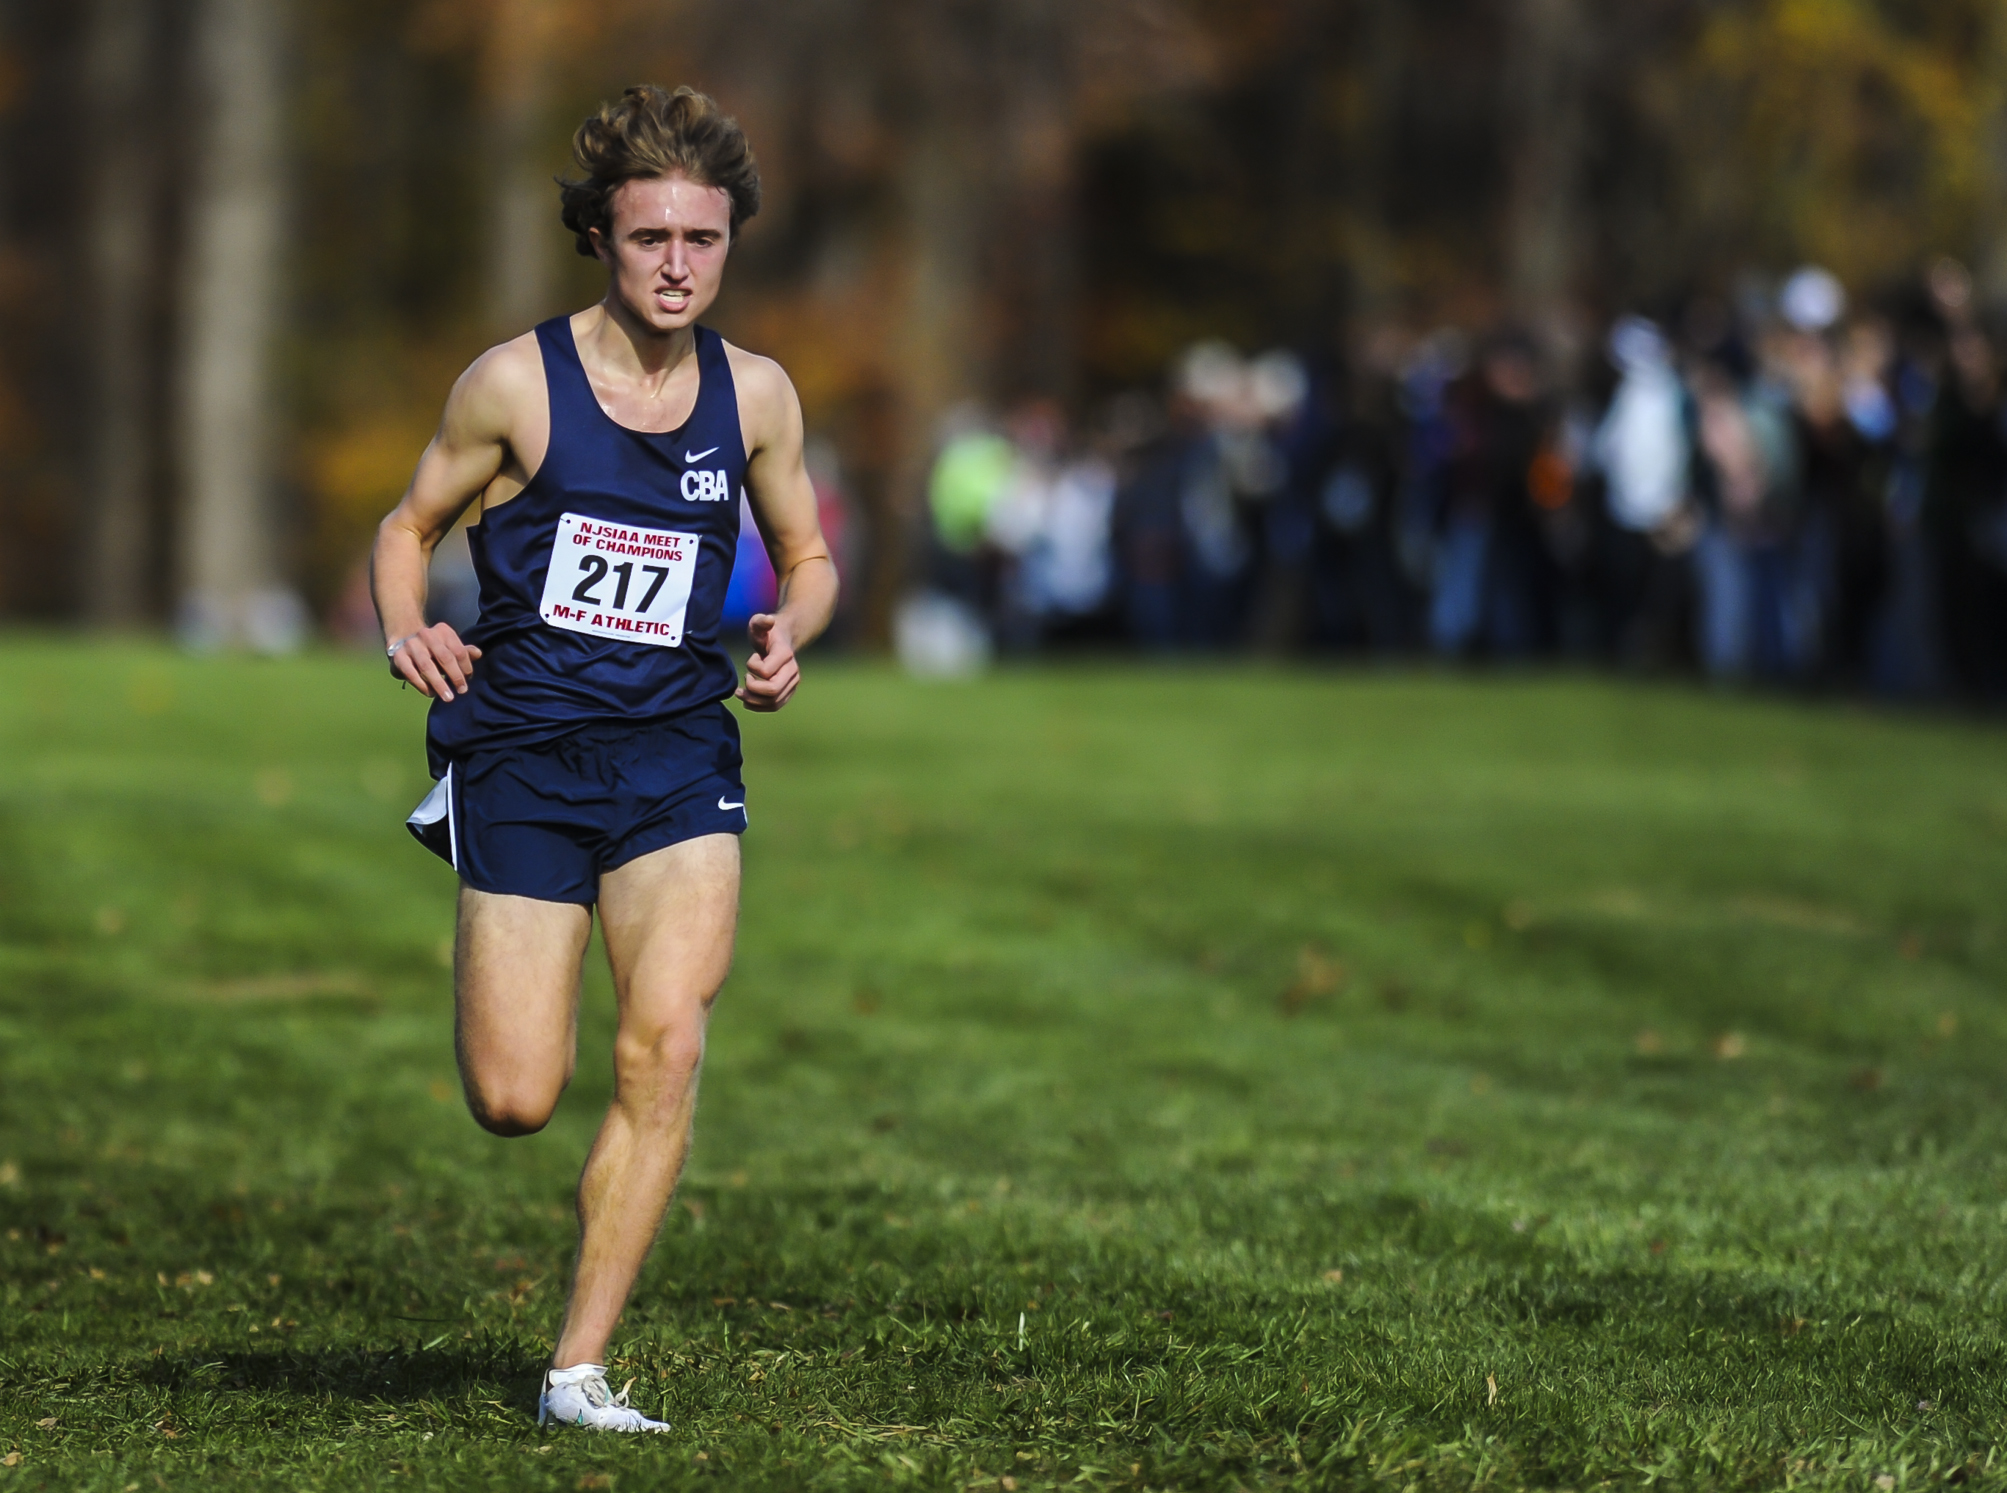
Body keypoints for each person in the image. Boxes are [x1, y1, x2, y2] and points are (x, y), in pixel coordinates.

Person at [369, 85, 837, 1432]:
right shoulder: (515, 383)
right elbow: (408, 525)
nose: (679, 265)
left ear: (730, 239)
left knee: (666, 1042)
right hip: (523, 753)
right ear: (601, 239)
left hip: (680, 759)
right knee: (519, 1096)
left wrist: (788, 631)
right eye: (651, 240)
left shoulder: (756, 396)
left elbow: (808, 555)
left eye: (704, 238)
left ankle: (577, 1366)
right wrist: (407, 627)